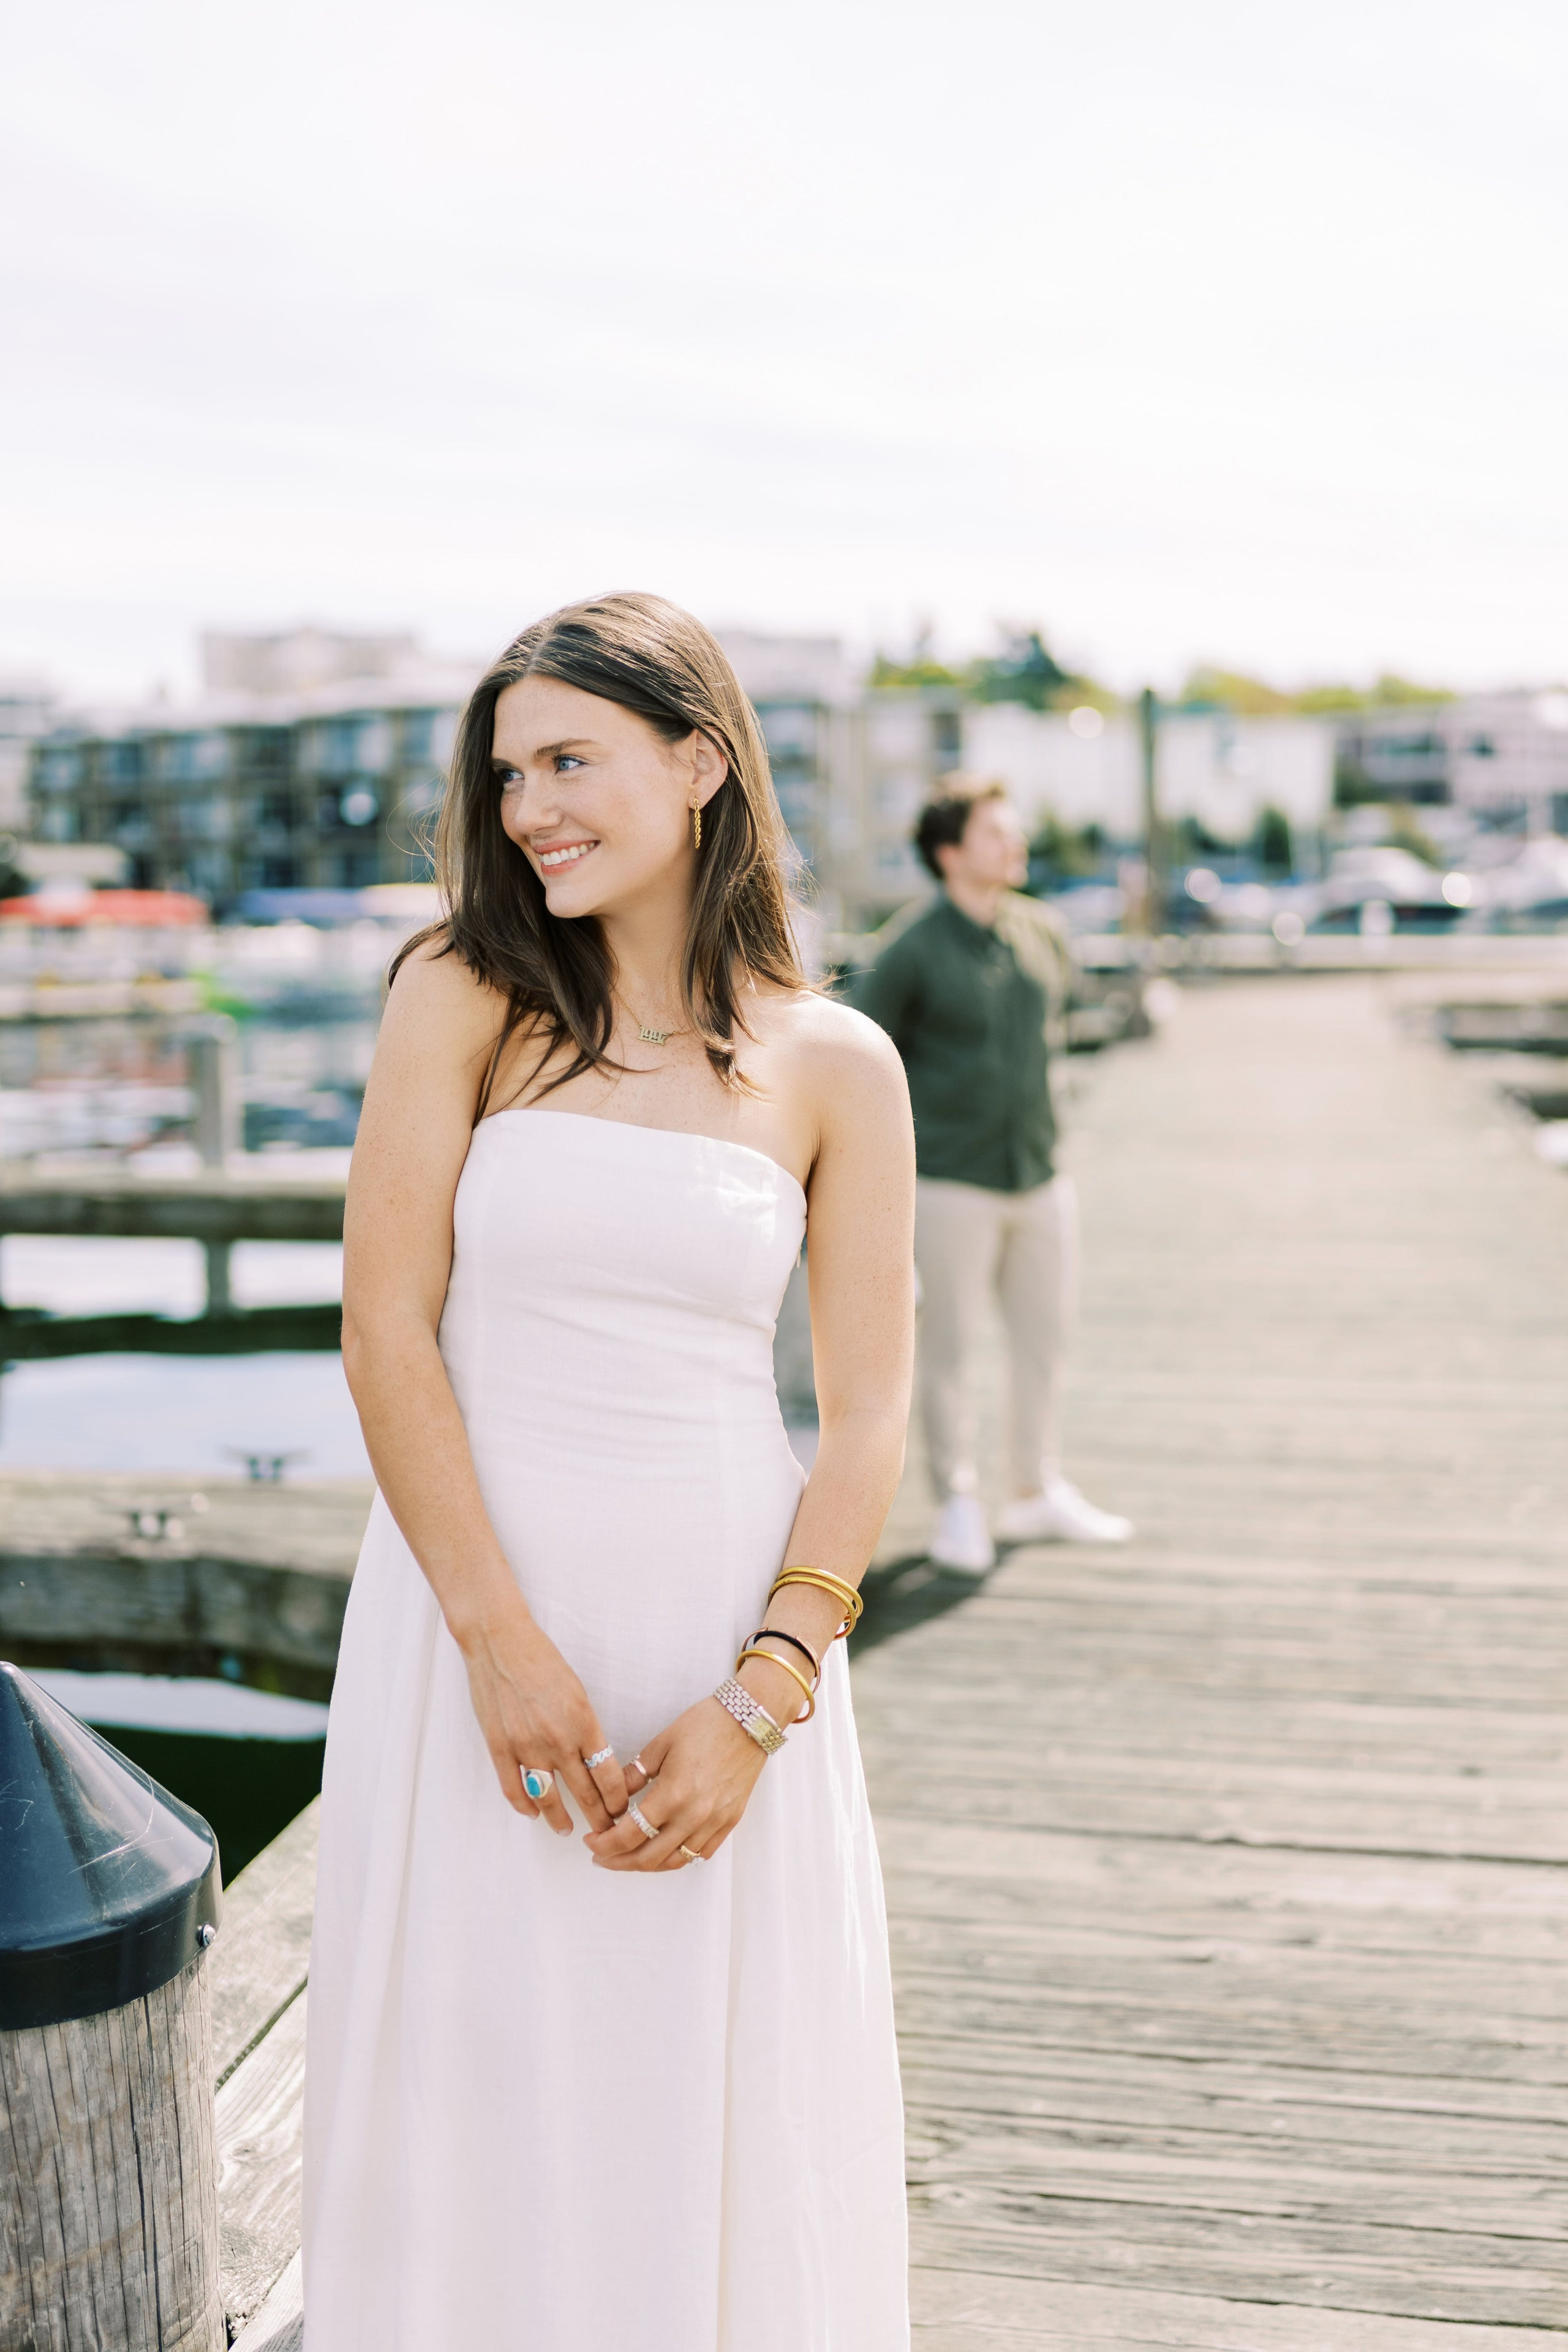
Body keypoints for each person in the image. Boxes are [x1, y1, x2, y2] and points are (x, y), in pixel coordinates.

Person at [303, 594, 916, 2350]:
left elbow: (869, 1413)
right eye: (508, 775)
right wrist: (496, 1641)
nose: (529, 810)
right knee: (468, 2068)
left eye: (568, 761)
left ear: (701, 762)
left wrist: (764, 1693)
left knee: (699, 2073)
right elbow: (385, 1331)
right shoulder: (460, 991)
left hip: (715, 1630)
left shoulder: (837, 1062)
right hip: (469, 1619)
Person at [850, 776, 1132, 1573]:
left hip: (1040, 1175)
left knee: (1045, 1341)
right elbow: (862, 1058)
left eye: (1014, 831)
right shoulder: (909, 949)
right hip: (950, 1184)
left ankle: (1034, 1490)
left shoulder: (1043, 931)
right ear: (949, 853)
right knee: (945, 1352)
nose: (1016, 844)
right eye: (995, 833)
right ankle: (957, 1506)